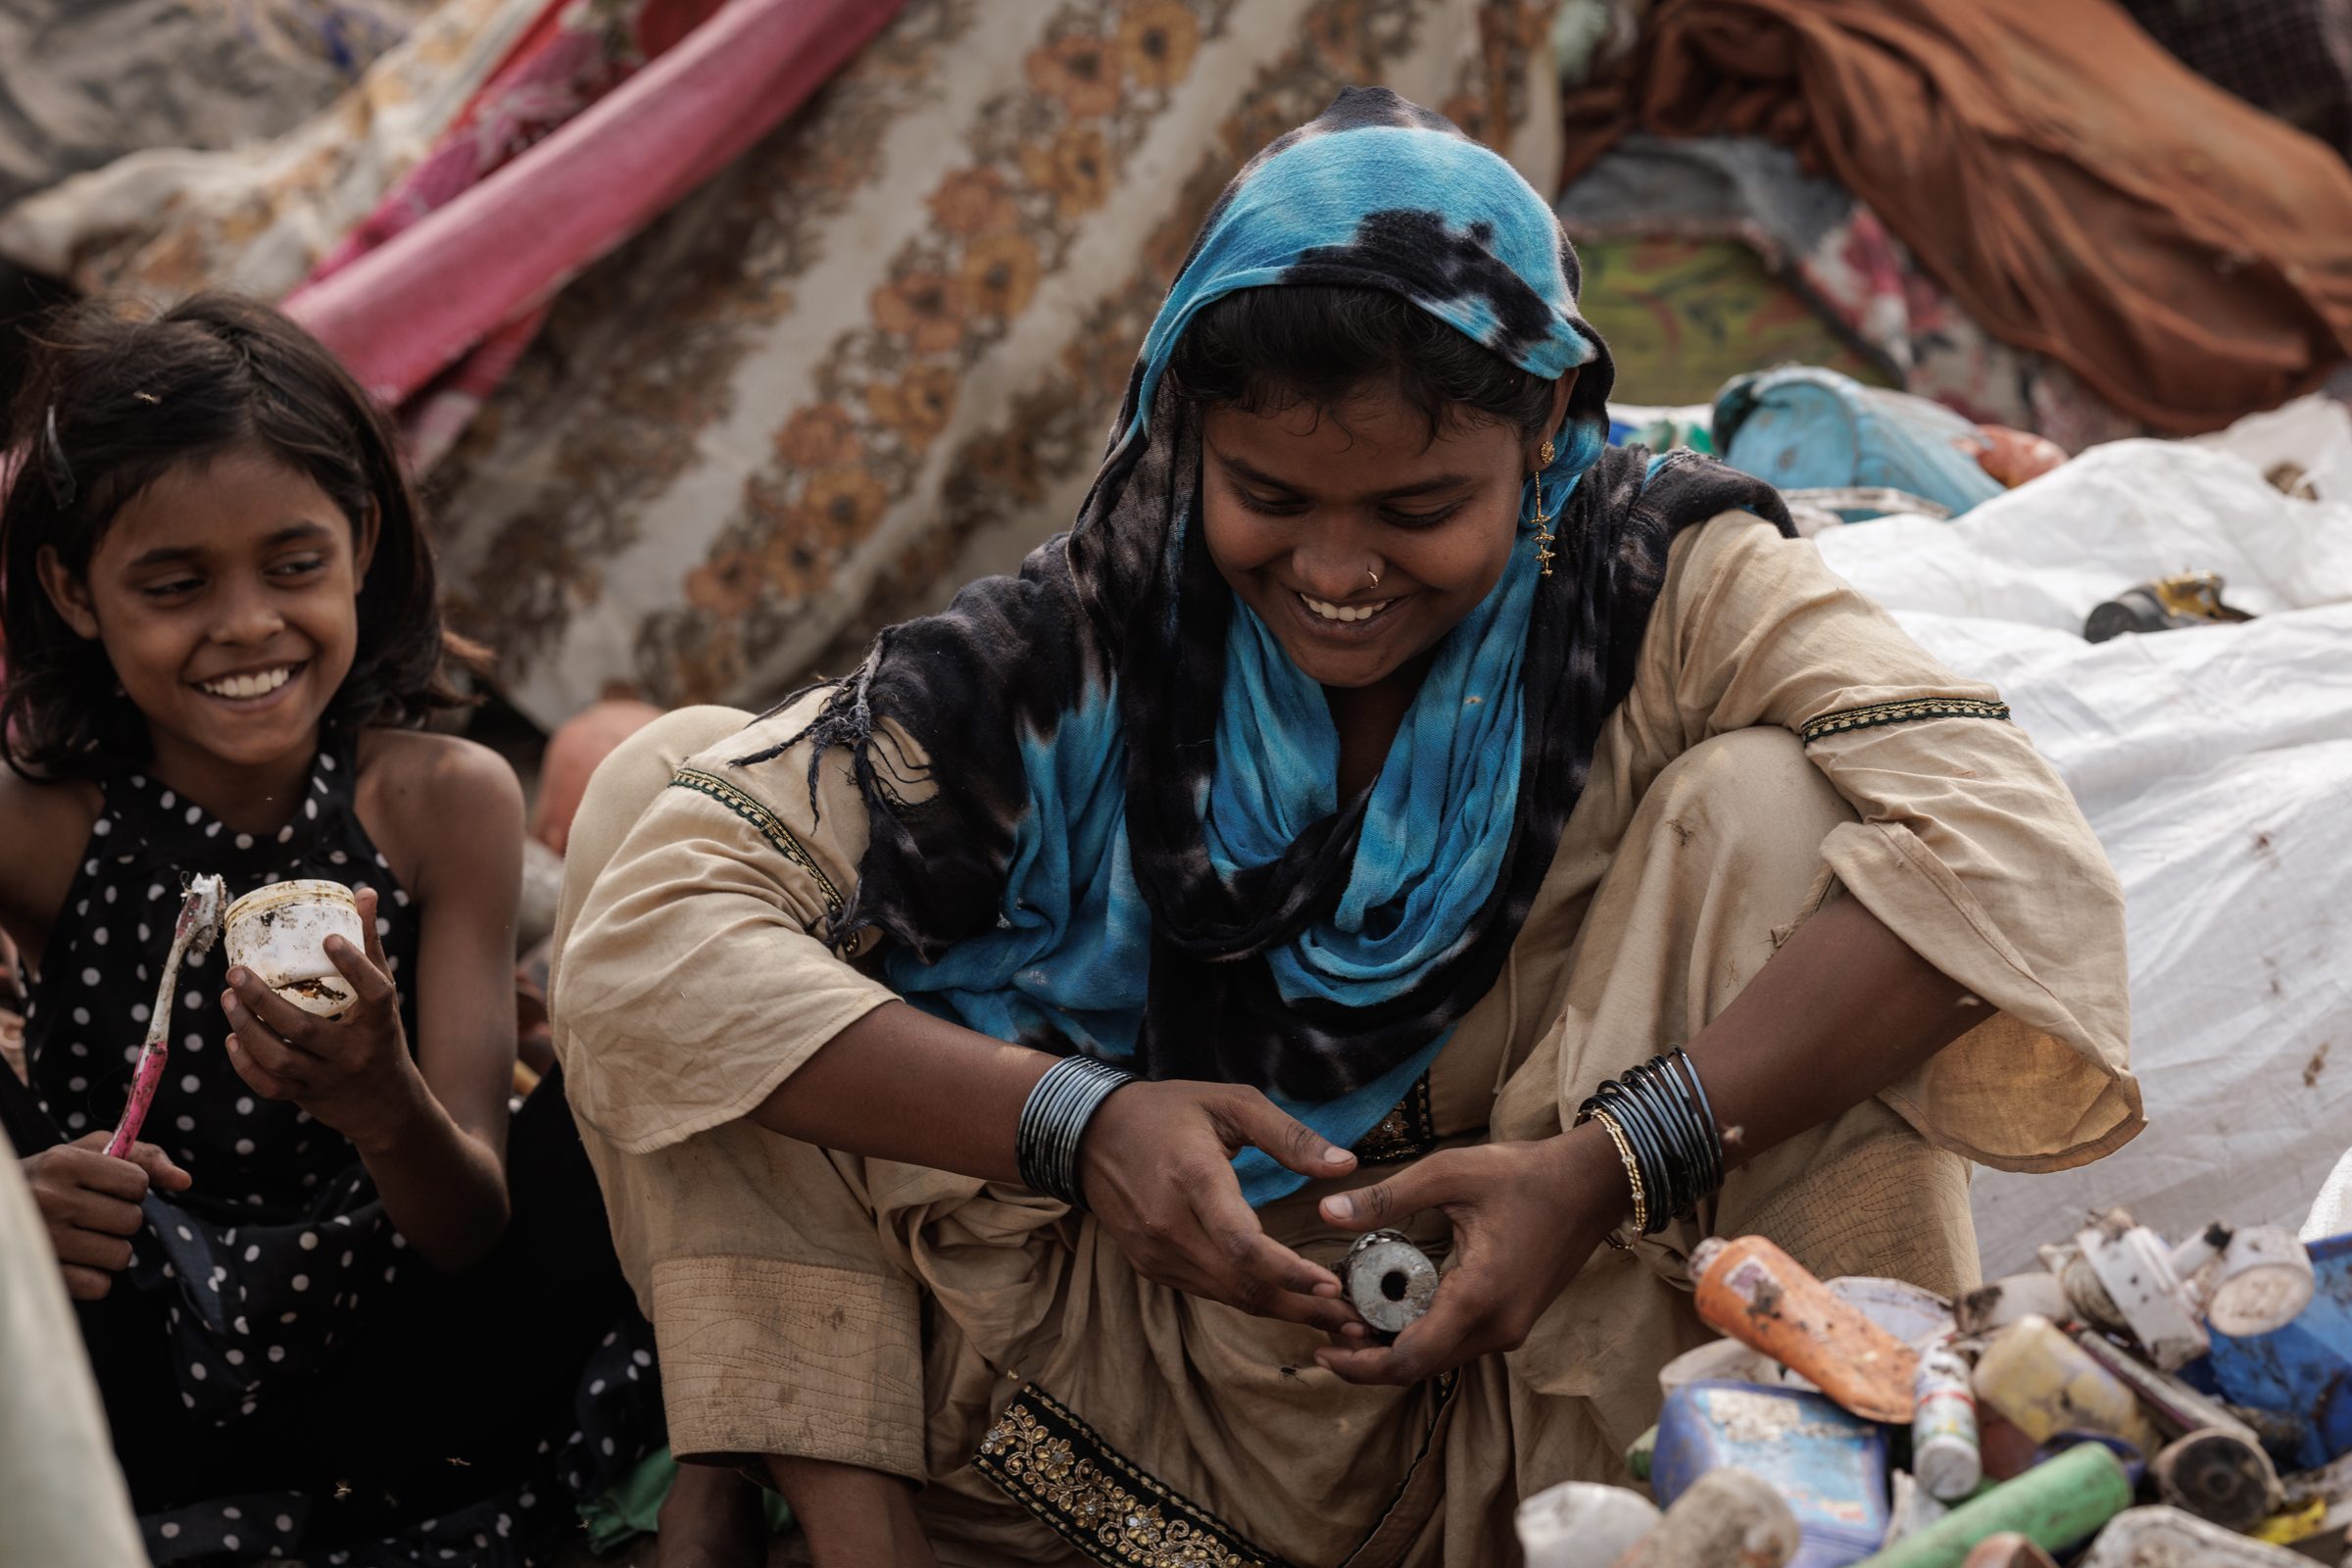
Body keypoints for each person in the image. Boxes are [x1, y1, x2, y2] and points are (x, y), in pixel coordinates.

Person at [553, 89, 2141, 1567]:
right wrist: (1079, 1124)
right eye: (1270, 496)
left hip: (1544, 1370)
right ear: (1189, 439)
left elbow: (2005, 852)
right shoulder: (1085, 633)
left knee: (1775, 809)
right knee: (668, 805)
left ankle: (1864, 1496)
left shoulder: (1661, 578)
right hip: (1114, 1382)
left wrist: (1600, 1167)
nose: (1334, 570)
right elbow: (647, 949)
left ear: (1545, 440)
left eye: (1413, 510)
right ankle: (846, 1527)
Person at [0, 293, 654, 1565]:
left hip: (401, 1365)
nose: (246, 625)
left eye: (292, 565)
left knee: (616, 1079)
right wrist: (12, 1215)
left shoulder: (439, 803)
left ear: (358, 541)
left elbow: (469, 1225)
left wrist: (379, 1097)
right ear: (76, 594)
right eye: (174, 584)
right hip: (127, 1363)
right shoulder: (40, 829)